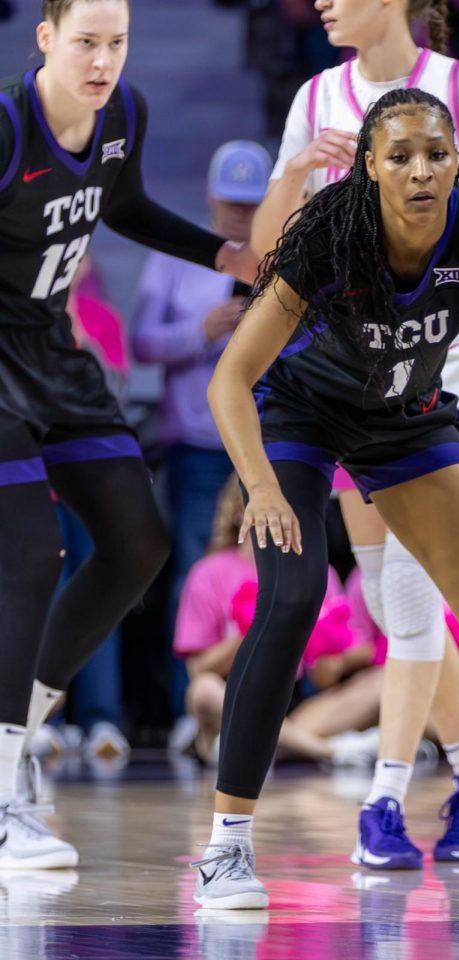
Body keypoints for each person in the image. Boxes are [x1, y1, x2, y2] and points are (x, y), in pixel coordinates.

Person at [193, 87, 459, 909]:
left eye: (436, 153)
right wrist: (260, 490)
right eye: (400, 156)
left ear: (455, 160)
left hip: (409, 420)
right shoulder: (327, 239)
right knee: (291, 600)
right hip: (303, 418)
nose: (421, 170)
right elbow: (231, 378)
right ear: (369, 168)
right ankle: (226, 848)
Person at [250, 0, 459, 871]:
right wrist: (294, 177)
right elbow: (259, 253)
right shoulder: (315, 97)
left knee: (416, 589)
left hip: (439, 373)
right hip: (333, 379)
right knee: (398, 602)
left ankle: (386, 795)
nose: (320, 1)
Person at [0, 0, 258, 869]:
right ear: (46, 39)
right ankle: (1, 797)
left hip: (54, 353)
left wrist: (217, 254)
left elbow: (128, 205)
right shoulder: (5, 126)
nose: (103, 59)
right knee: (32, 557)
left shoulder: (126, 115)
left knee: (139, 541)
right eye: (86, 42)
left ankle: (18, 727)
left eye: (117, 42)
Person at [131, 139, 273, 725]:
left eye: (250, 205)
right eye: (231, 204)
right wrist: (200, 330)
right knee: (196, 575)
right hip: (196, 444)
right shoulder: (175, 255)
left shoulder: (279, 254)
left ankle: (268, 705)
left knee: (270, 573)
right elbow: (139, 341)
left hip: (263, 446)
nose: (239, 215)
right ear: (211, 198)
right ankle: (186, 707)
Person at [176, 479, 384, 766]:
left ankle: (265, 747)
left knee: (382, 682)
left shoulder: (320, 573)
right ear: (241, 511)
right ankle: (331, 752)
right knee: (203, 691)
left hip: (294, 707)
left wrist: (332, 654)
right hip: (232, 699)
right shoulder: (209, 573)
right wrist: (253, 633)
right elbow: (198, 670)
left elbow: (323, 678)